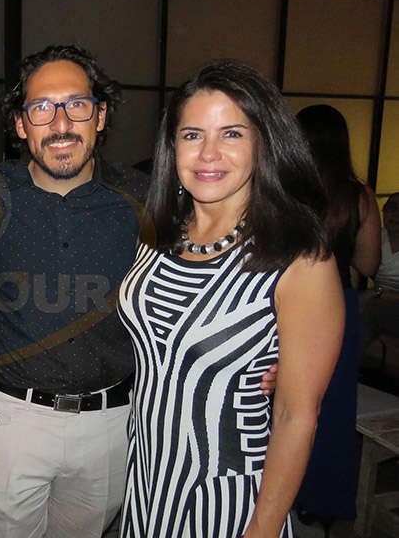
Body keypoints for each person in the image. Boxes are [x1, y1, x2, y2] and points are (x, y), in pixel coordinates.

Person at [0, 46, 277, 538]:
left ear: (101, 114)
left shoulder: (148, 200)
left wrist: (258, 355)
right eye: (42, 108)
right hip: (13, 419)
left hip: (115, 422)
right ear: (21, 125)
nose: (61, 122)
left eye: (77, 105)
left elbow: (209, 272)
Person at [117, 60, 343, 537]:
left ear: (263, 145)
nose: (209, 153)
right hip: (147, 479)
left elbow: (296, 413)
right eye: (193, 135)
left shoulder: (300, 259)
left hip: (227, 497)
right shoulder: (158, 234)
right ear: (171, 146)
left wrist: (262, 527)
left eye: (232, 134)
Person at [293, 104, 381, 523]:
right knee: (332, 405)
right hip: (337, 306)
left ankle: (278, 490)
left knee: (281, 401)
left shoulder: (286, 188)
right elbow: (368, 265)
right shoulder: (357, 195)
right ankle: (322, 502)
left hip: (286, 305)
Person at [362, 192, 399, 358]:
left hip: (387, 300)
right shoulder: (377, 237)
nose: (394, 214)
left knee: (373, 310)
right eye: (390, 208)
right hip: (378, 298)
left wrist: (382, 294)